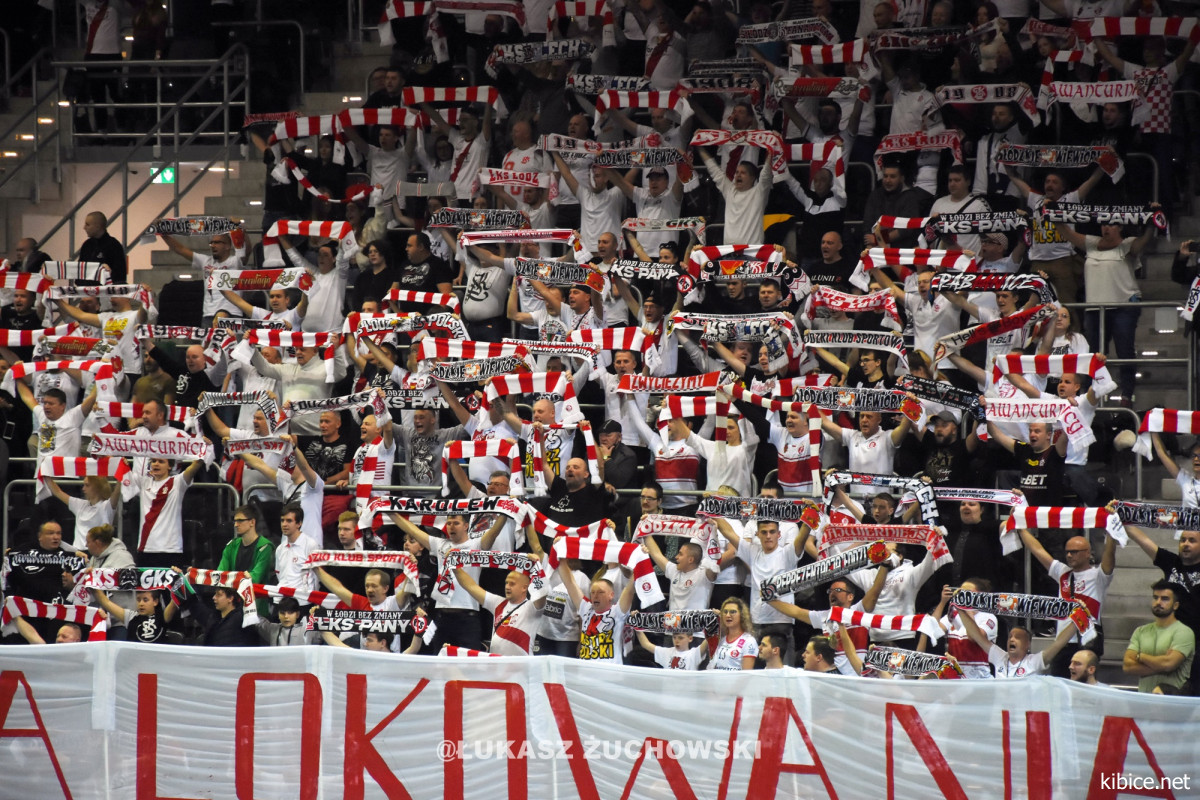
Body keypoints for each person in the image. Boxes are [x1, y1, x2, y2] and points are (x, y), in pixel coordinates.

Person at [1051, 209, 1159, 404]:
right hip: (1095, 308)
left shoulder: (1127, 243)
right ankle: (1090, 395)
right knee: (1094, 354)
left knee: (1125, 351)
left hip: (1124, 305)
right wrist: (1052, 212)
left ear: (1120, 226)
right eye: (1103, 224)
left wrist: (1152, 220)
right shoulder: (1092, 242)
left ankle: (1126, 394)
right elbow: (1066, 232)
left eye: (1110, 224)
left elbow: (1143, 241)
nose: (1105, 228)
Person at [714, 515, 811, 664]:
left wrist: (810, 514)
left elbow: (802, 537)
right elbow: (728, 532)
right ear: (757, 534)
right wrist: (712, 511)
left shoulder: (787, 553)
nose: (768, 536)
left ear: (779, 534)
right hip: (757, 621)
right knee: (757, 672)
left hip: (782, 621)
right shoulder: (752, 551)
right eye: (764, 532)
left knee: (784, 671)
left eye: (772, 532)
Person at [1020, 527, 1115, 673]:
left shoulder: (1099, 576)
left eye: (1074, 552)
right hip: (1061, 645)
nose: (1069, 555)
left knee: (1081, 686)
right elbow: (1038, 550)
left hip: (1086, 644)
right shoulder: (1063, 573)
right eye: (1067, 552)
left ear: (1088, 553)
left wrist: (1111, 533)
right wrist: (1020, 529)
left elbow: (1109, 556)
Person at [1123, 526, 1200, 694]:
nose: (1186, 544)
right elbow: (1143, 540)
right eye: (1183, 540)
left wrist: (1141, 656)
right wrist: (1122, 518)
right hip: (1172, 634)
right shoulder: (1172, 562)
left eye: (1192, 540)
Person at [126, 455, 207, 568]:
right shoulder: (144, 482)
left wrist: (203, 450)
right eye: (154, 461)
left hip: (170, 550)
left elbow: (196, 465)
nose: (156, 464)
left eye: (161, 461)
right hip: (146, 550)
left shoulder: (177, 482)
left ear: (170, 466)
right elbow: (121, 469)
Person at [452, 565, 548, 656]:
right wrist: (455, 567)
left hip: (520, 665)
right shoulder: (498, 603)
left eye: (512, 584)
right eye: (506, 583)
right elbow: (471, 586)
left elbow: (543, 592)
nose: (507, 587)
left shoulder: (532, 607)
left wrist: (537, 568)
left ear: (524, 587)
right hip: (498, 664)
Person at [557, 559, 637, 664]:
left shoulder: (617, 612)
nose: (595, 596)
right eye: (593, 592)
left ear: (611, 595)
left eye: (600, 592)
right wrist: (561, 558)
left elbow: (629, 590)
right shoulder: (586, 608)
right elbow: (569, 582)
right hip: (585, 669)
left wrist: (640, 561)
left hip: (608, 671)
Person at [958, 609, 1076, 678]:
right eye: (1010, 637)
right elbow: (977, 636)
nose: (1012, 639)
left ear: (1027, 644)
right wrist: (960, 610)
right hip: (1002, 711)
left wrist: (1077, 620)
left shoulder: (1034, 661)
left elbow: (1059, 643)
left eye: (1017, 637)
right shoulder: (1000, 657)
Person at [1124, 581, 1195, 694]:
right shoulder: (1141, 631)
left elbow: (1169, 664)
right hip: (1144, 698)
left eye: (1165, 599)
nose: (1158, 602)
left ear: (1175, 605)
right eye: (1155, 597)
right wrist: (1161, 665)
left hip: (1170, 698)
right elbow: (1127, 666)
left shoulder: (1184, 632)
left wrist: (1140, 657)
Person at [216, 506, 275, 615]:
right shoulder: (231, 545)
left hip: (255, 607)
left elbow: (255, 578)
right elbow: (220, 574)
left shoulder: (265, 547)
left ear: (252, 522)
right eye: (235, 521)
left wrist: (232, 578)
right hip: (233, 606)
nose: (235, 525)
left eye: (240, 521)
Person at [81, 523, 136, 640]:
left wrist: (99, 576)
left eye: (88, 542)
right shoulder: (94, 558)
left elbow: (131, 582)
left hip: (120, 621)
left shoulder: (122, 556)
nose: (86, 545)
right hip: (101, 619)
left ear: (97, 542)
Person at [44, 476, 119, 551]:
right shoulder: (80, 504)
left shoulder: (107, 506)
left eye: (87, 485)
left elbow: (117, 491)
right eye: (84, 485)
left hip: (98, 553)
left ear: (98, 487)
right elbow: (58, 492)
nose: (83, 488)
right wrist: (45, 474)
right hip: (78, 553)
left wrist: (122, 475)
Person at [92, 587, 178, 644]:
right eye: (138, 600)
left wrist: (180, 577)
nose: (141, 604)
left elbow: (175, 599)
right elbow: (105, 602)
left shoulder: (163, 616)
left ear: (155, 601)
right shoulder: (131, 617)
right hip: (134, 661)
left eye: (145, 600)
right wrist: (91, 581)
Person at [274, 503, 321, 601]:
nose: (284, 524)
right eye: (282, 520)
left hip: (302, 601)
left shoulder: (310, 545)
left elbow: (317, 576)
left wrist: (315, 600)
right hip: (281, 599)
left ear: (299, 523)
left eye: (289, 521)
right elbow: (279, 574)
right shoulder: (280, 549)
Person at [708, 597, 758, 670]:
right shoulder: (721, 639)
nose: (728, 615)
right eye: (725, 612)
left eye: (732, 612)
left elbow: (746, 673)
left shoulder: (749, 641)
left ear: (742, 615)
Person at [79, 211, 127, 284]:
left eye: (87, 225)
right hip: (86, 289)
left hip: (106, 289)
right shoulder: (86, 245)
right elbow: (80, 271)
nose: (84, 228)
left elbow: (119, 277)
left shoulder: (114, 246)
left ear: (97, 226)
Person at [636, 630, 705, 670]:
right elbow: (645, 644)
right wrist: (636, 626)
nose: (676, 641)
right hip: (668, 691)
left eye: (680, 638)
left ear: (690, 638)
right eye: (674, 637)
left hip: (687, 691)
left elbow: (708, 640)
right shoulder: (667, 652)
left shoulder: (694, 654)